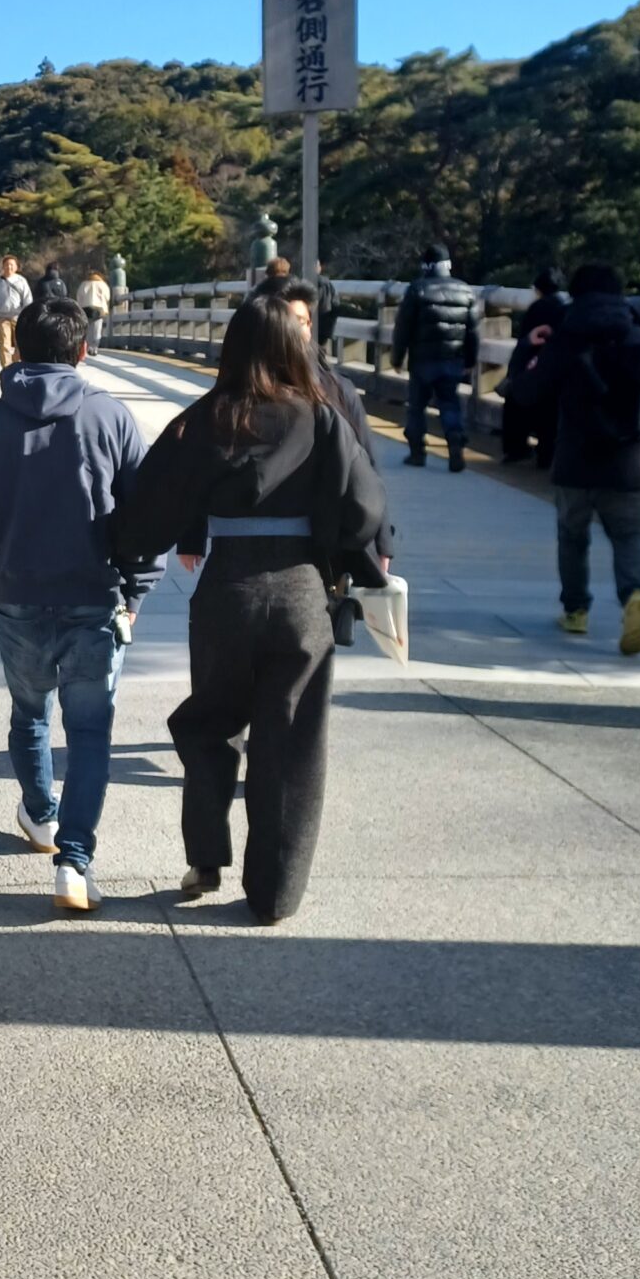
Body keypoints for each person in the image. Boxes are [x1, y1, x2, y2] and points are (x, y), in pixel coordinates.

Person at [112, 298, 387, 923]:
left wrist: (122, 550)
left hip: (226, 590)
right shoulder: (321, 420)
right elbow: (365, 509)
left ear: (231, 348)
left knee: (210, 722)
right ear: (296, 345)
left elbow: (150, 509)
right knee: (291, 743)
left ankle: (206, 857)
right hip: (300, 592)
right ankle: (274, 894)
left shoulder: (205, 418)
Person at [0, 300, 162, 914]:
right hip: (94, 596)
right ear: (81, 350)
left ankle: (40, 815)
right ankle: (75, 860)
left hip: (18, 593)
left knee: (30, 713)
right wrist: (136, 591)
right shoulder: (110, 416)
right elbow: (145, 515)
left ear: (18, 348)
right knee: (91, 732)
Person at [500, 263, 640, 654]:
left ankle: (576, 610)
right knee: (631, 536)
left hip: (575, 460)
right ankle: (635, 596)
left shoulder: (565, 339)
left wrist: (529, 347)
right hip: (631, 461)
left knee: (572, 537)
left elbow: (525, 392)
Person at [270, 278, 396, 568]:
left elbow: (368, 463)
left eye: (300, 321)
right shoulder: (254, 389)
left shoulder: (339, 389)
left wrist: (382, 538)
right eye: (286, 321)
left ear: (310, 326)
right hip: (278, 534)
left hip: (334, 527)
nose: (293, 329)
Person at [390, 243, 480, 472]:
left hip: (422, 360)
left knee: (417, 406)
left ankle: (417, 452)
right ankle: (456, 443)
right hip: (453, 358)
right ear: (447, 265)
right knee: (450, 404)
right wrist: (470, 360)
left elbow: (403, 328)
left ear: (426, 265)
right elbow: (473, 331)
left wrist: (397, 358)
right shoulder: (465, 290)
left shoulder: (417, 289)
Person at [500, 266, 569, 467]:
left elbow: (526, 341)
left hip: (536, 370)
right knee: (551, 417)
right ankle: (547, 456)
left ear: (538, 289)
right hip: (560, 371)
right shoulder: (568, 307)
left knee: (517, 405)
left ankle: (517, 449)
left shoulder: (537, 309)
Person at [0, 255, 33, 369]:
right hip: (2, 317)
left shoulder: (21, 281)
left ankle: (16, 363)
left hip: (18, 316)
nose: (9, 267)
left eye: (11, 265)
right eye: (6, 265)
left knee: (20, 343)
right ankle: (6, 367)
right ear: (3, 266)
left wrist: (28, 314)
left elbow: (27, 299)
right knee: (4, 343)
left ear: (16, 267)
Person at [76, 266, 112, 352]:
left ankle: (86, 346)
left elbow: (79, 297)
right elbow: (107, 297)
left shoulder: (84, 284)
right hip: (99, 309)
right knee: (97, 329)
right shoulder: (103, 284)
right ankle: (94, 348)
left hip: (85, 308)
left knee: (87, 329)